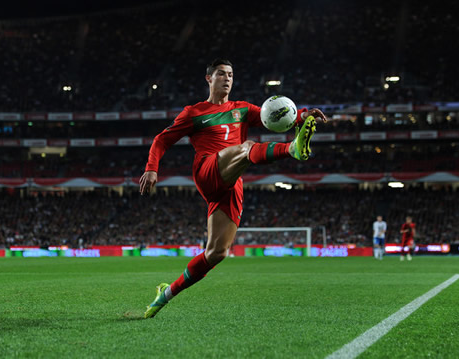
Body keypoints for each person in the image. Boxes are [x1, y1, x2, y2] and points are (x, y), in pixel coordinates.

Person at [139, 58, 327, 319]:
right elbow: (161, 139)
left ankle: (166, 293)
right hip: (207, 170)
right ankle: (292, 149)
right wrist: (151, 167)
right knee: (247, 147)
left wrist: (303, 115)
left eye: (230, 74)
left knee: (216, 253)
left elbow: (274, 115)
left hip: (230, 184)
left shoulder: (242, 109)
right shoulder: (194, 112)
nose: (227, 79)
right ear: (209, 78)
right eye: (221, 74)